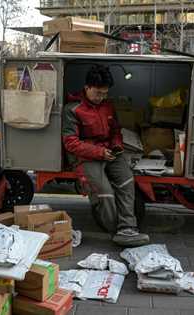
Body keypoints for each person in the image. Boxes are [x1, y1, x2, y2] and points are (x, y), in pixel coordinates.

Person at [62, 65, 149, 247]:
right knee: (105, 193)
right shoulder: (72, 109)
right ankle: (115, 230)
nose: (102, 97)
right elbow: (71, 143)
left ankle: (128, 228)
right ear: (87, 88)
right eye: (98, 93)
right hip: (85, 156)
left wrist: (116, 146)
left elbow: (115, 130)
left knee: (126, 181)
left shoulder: (107, 106)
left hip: (109, 152)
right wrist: (99, 153)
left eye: (105, 93)